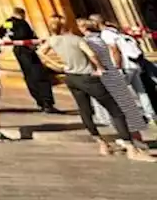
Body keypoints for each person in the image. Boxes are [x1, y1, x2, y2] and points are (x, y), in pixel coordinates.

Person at [38, 14, 153, 161]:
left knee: (85, 111)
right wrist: (99, 68)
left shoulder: (52, 40)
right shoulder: (77, 39)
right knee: (116, 111)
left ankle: (101, 143)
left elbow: (40, 52)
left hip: (71, 77)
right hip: (87, 77)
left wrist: (57, 66)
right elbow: (91, 54)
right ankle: (131, 147)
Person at [78, 17, 149, 138]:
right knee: (126, 104)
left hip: (104, 73)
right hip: (113, 71)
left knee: (112, 108)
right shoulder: (102, 36)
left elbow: (95, 56)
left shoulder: (87, 41)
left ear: (84, 28)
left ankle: (125, 137)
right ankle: (137, 137)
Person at [0, 7, 60, 114]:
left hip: (18, 49)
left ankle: (41, 102)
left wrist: (9, 38)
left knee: (29, 75)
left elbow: (0, 32)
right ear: (22, 14)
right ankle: (47, 102)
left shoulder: (9, 22)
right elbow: (25, 35)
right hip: (27, 49)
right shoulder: (21, 23)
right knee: (38, 73)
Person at [97, 17, 156, 125]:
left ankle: (133, 117)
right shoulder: (118, 32)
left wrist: (118, 67)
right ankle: (150, 115)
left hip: (124, 65)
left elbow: (114, 50)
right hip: (134, 64)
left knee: (120, 92)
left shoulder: (106, 34)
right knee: (141, 91)